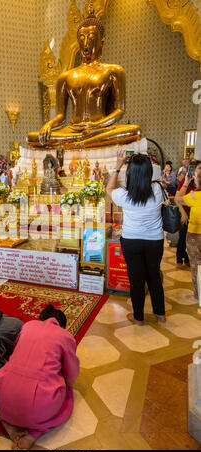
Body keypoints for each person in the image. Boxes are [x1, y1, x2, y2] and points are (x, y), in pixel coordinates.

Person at [27, 8, 140, 149]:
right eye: (81, 38)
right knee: (33, 137)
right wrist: (48, 124)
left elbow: (119, 111)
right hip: (73, 130)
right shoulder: (65, 77)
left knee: (134, 131)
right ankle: (82, 143)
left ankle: (78, 144)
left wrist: (96, 126)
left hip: (100, 129)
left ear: (102, 41)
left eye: (92, 37)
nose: (86, 43)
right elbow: (61, 116)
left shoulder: (114, 71)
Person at [0, 304, 80, 450]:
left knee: (12, 380)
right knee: (65, 392)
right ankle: (35, 433)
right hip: (39, 407)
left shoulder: (28, 326)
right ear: (62, 325)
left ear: (41, 318)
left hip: (3, 395)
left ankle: (8, 423)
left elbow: (17, 350)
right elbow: (72, 375)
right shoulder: (65, 335)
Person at [106, 150, 166, 325]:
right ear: (149, 172)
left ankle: (138, 317)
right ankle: (160, 315)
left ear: (130, 173)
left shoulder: (123, 195)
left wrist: (118, 164)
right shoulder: (158, 189)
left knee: (136, 279)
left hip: (131, 241)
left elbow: (108, 188)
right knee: (154, 276)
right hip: (154, 241)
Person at [175, 164, 201, 300]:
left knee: (196, 266)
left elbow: (177, 199)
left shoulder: (194, 196)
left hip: (195, 233)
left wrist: (186, 183)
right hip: (192, 228)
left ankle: (198, 295)